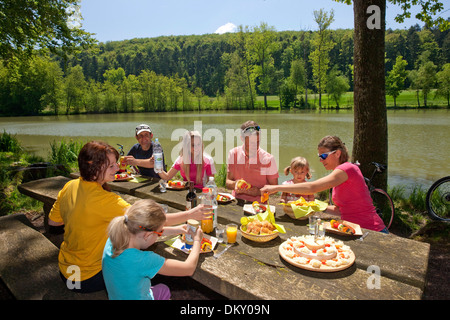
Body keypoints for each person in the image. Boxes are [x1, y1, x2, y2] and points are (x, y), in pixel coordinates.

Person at [48, 141, 212, 293]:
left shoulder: (70, 185)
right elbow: (148, 219)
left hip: (67, 270)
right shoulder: (107, 200)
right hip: (87, 277)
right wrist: (190, 214)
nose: (117, 168)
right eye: (111, 165)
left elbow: (53, 222)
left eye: (116, 163)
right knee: (154, 271)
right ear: (92, 166)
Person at [261, 135, 387, 233]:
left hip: (371, 230)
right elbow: (342, 210)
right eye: (319, 156)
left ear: (337, 154)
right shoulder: (339, 174)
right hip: (352, 228)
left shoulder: (347, 169)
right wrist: (316, 206)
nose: (321, 160)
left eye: (324, 156)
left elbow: (312, 187)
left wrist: (275, 187)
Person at [102, 199, 204, 300]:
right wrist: (197, 241)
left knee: (163, 289)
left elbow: (146, 232)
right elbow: (188, 268)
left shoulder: (113, 239)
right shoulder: (144, 260)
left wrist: (176, 230)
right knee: (164, 289)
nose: (160, 234)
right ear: (147, 235)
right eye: (159, 233)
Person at [226, 120, 279, 203]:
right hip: (236, 201)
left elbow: (275, 188)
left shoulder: (268, 159)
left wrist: (258, 192)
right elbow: (228, 182)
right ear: (242, 139)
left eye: (258, 141)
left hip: (259, 205)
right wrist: (235, 184)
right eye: (251, 142)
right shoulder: (233, 154)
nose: (255, 145)